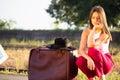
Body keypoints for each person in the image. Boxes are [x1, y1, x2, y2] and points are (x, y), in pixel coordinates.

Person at [76, 5, 114, 80]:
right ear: (90, 18)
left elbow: (91, 45)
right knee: (80, 60)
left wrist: (94, 29)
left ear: (102, 19)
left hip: (106, 63)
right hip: (93, 61)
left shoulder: (105, 34)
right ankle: (91, 78)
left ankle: (101, 77)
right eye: (93, 18)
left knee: (92, 50)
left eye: (98, 18)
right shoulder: (86, 31)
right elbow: (81, 50)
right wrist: (88, 59)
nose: (95, 20)